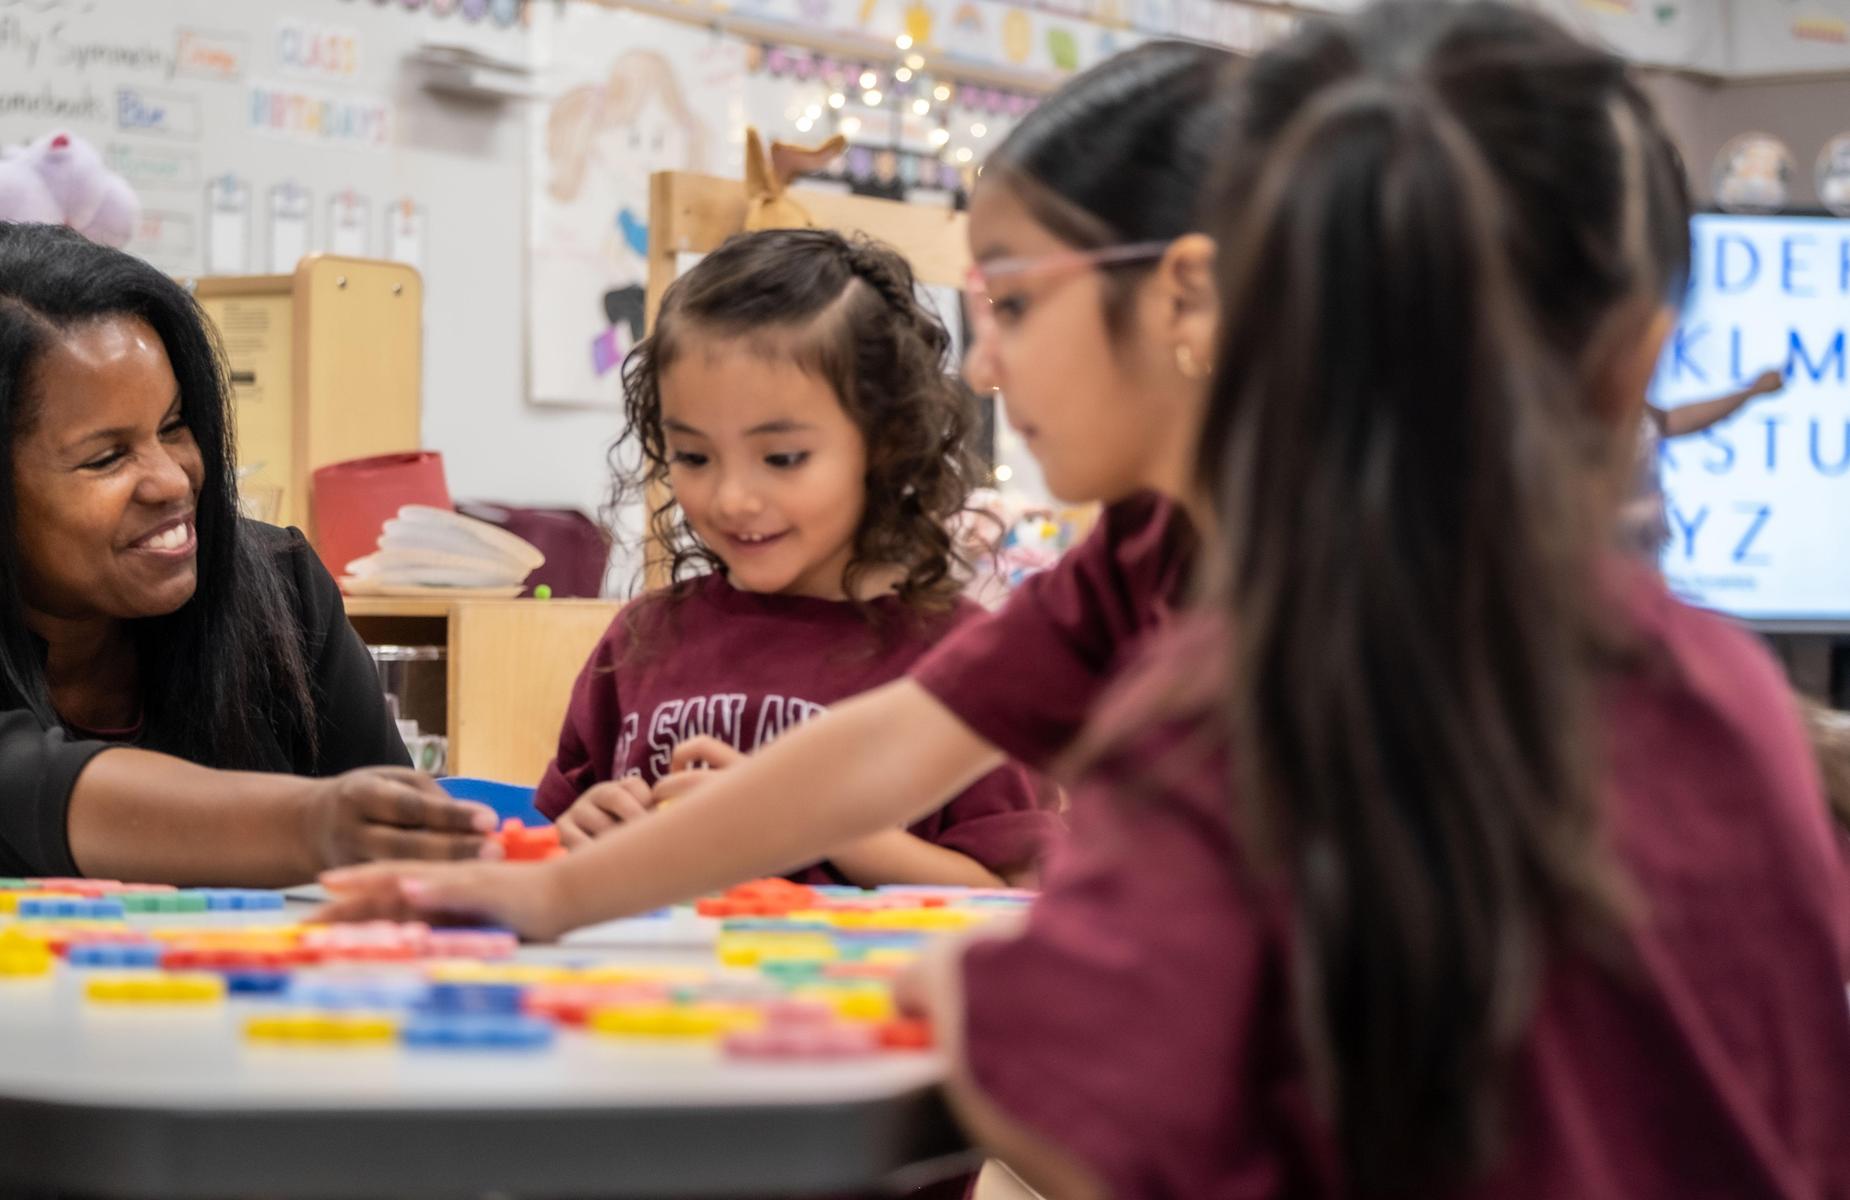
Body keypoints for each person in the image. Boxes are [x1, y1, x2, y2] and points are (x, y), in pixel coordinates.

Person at [904, 4, 1850, 1197]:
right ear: (1630, 362)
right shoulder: (1727, 705)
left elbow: (1090, 1110)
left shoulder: (1216, 718)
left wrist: (971, 1011)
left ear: (1230, 320)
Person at [317, 40, 1233, 930]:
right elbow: (894, 747)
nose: (985, 368)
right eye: (696, 453)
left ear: (1185, 295)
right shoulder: (1131, 561)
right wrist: (550, 889)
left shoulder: (1340, 564)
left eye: (1018, 306)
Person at [539, 227, 1056, 886]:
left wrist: (803, 822)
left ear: (886, 443)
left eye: (782, 458)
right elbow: (553, 842)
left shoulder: (966, 665)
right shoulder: (640, 642)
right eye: (694, 456)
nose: (731, 498)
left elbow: (1010, 897)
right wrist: (579, 834)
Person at [0, 222, 494, 883]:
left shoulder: (278, 589)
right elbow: (43, 793)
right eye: (107, 457)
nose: (174, 480)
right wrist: (312, 822)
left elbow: (401, 844)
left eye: (175, 427)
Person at [1622, 367, 1786, 558]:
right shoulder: (1585, 418)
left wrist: (1752, 392)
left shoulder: (1630, 408)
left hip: (1638, 551)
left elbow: (1669, 420)